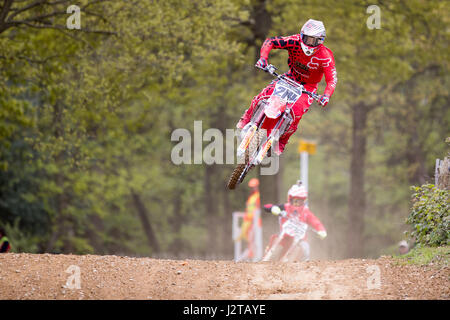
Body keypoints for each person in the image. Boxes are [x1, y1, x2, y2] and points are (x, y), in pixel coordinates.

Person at [237, 19, 337, 155]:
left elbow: (332, 79)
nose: (309, 44)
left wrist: (326, 96)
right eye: (307, 39)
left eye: (314, 41)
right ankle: (247, 118)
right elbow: (270, 41)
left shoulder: (325, 56)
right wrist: (263, 59)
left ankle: (282, 141)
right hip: (290, 77)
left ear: (321, 41)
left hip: (308, 87)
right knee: (264, 95)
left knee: (296, 112)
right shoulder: (294, 41)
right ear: (301, 35)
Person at [263, 183, 326, 261]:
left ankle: (302, 265)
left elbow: (315, 221)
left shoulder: (306, 212)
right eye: (295, 201)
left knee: (305, 248)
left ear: (304, 201)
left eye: (301, 201)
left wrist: (321, 230)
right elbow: (266, 206)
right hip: (284, 237)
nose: (298, 204)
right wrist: (273, 208)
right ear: (290, 199)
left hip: (299, 240)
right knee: (274, 238)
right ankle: (266, 258)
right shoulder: (285, 207)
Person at [235, 178, 261, 260]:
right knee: (249, 239)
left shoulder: (257, 196)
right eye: (251, 187)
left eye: (254, 187)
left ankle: (252, 255)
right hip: (249, 221)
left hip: (255, 221)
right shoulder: (251, 197)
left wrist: (253, 220)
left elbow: (257, 209)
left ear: (257, 187)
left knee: (252, 239)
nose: (252, 188)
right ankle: (250, 254)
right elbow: (248, 210)